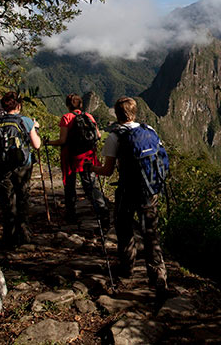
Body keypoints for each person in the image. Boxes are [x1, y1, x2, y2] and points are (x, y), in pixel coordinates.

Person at [88, 96, 168, 296]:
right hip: (149, 191)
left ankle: (127, 268)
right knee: (151, 232)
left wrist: (92, 168)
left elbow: (107, 171)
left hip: (127, 191)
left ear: (116, 114)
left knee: (124, 228)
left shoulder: (116, 136)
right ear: (135, 112)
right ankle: (158, 276)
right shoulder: (149, 130)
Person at [0, 91, 41, 247]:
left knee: (7, 201)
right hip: (23, 166)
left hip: (1, 166)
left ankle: (9, 237)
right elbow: (37, 145)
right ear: (19, 106)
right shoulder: (25, 121)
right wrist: (34, 127)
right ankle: (25, 234)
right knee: (23, 197)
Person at [45, 93, 109, 226]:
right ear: (81, 105)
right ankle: (103, 212)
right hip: (88, 157)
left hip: (71, 157)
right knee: (91, 186)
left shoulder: (66, 118)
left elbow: (62, 140)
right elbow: (97, 135)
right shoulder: (89, 116)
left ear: (68, 105)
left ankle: (71, 215)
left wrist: (49, 142)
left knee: (69, 186)